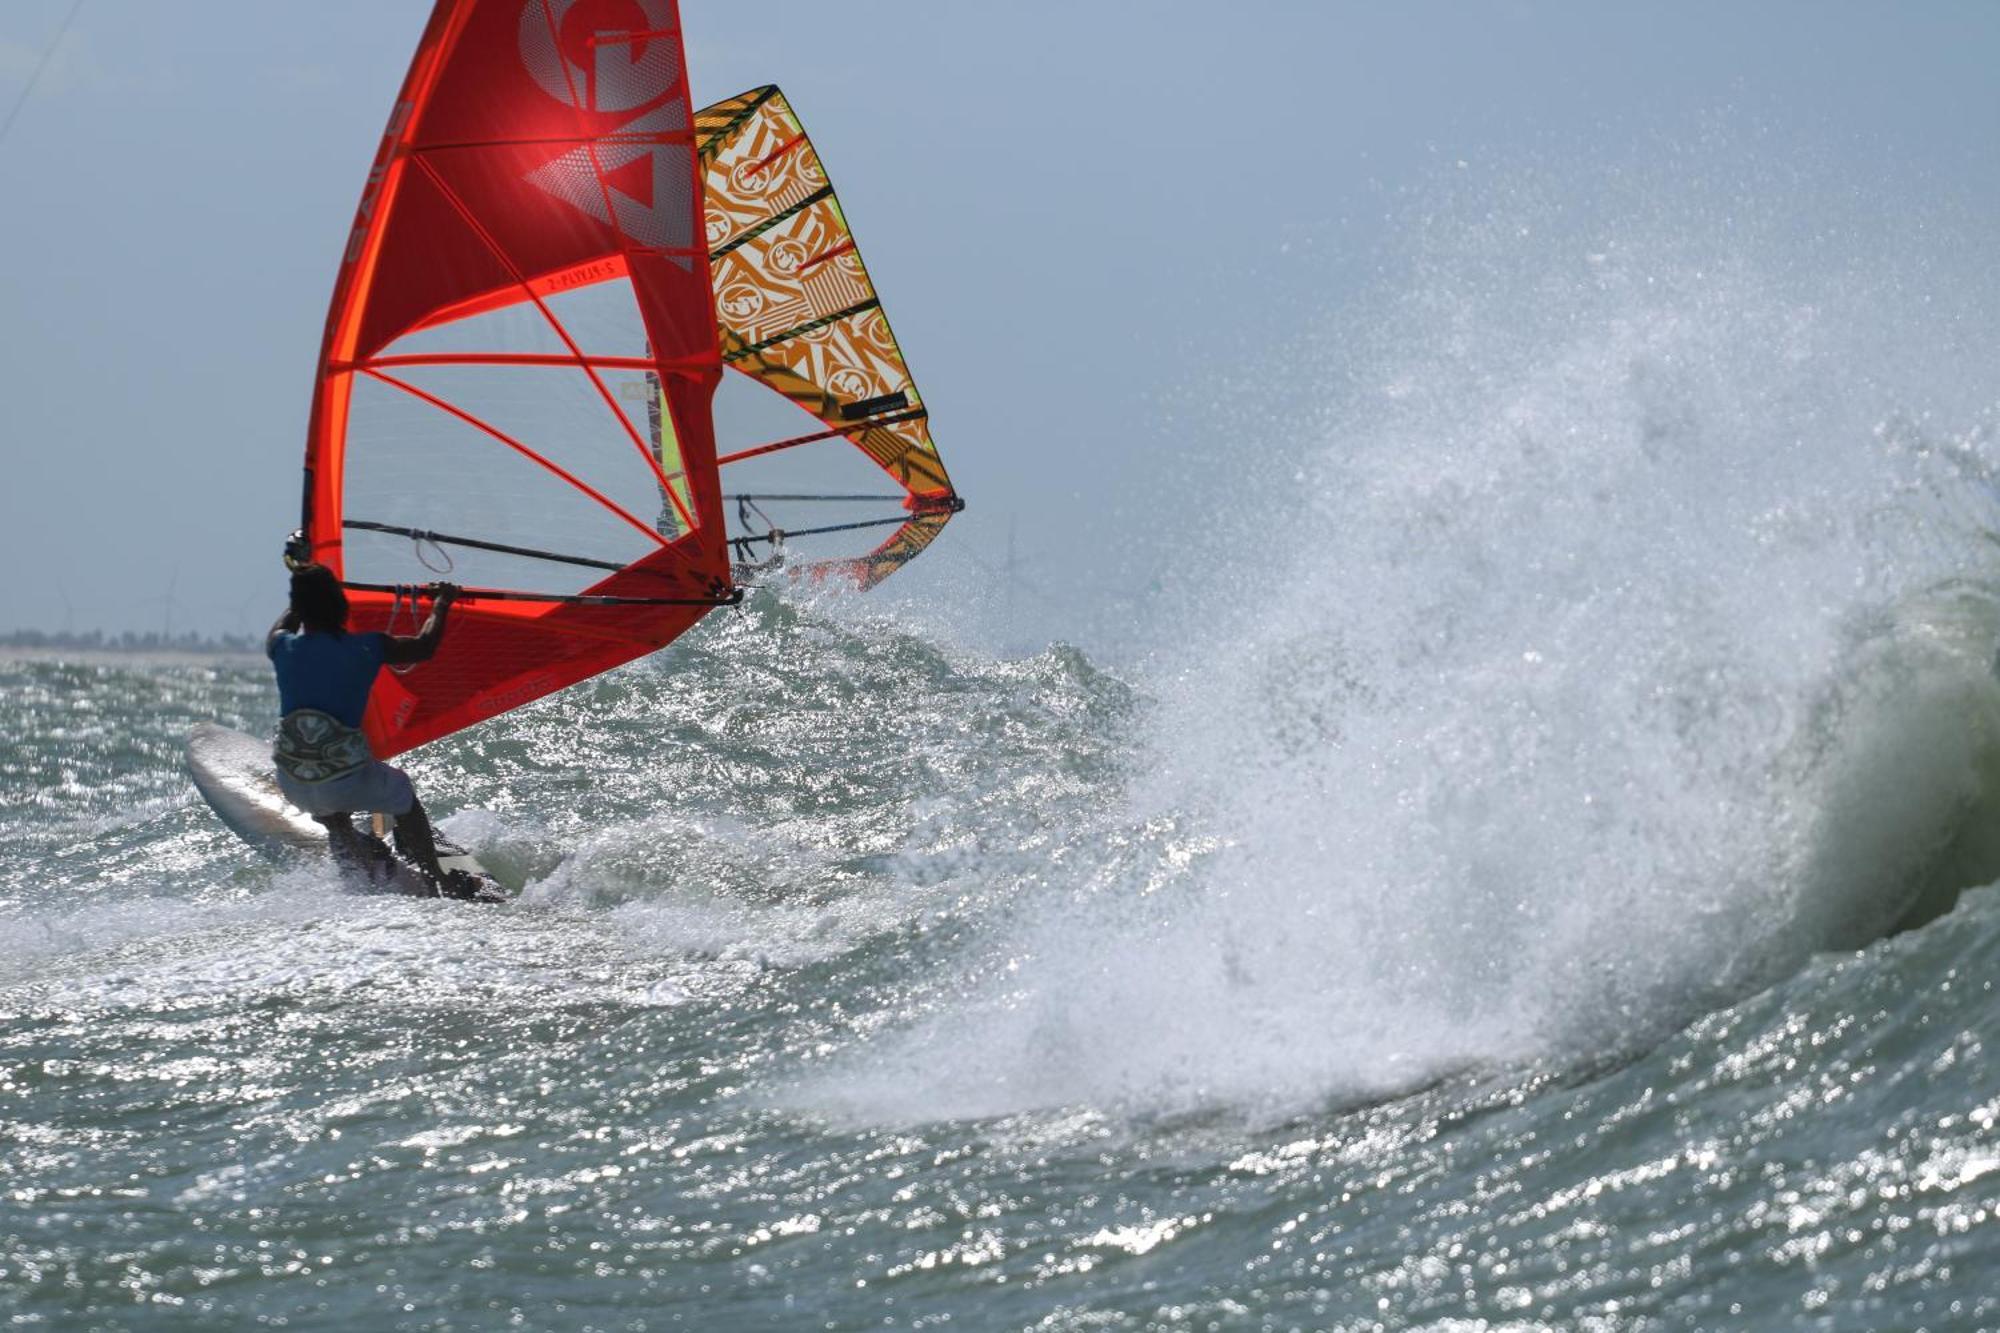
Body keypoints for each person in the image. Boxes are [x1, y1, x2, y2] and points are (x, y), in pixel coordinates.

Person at [267, 563, 462, 891]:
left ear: (301, 609)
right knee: (402, 794)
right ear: (342, 606)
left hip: (294, 783)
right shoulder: (367, 646)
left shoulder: (280, 646)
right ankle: (435, 879)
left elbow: (289, 620)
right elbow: (425, 646)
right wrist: (443, 602)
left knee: (331, 809)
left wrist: (303, 581)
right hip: (343, 781)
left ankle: (355, 857)